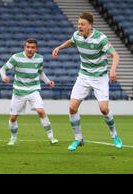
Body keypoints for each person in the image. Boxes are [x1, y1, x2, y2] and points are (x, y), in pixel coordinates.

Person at [52, 12, 122, 151]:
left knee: (104, 109)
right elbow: (71, 42)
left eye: (82, 24)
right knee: (72, 108)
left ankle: (114, 134)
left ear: (90, 26)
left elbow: (115, 55)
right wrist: (59, 48)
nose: (79, 26)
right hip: (84, 76)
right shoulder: (77, 35)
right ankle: (78, 138)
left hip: (100, 77)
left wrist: (113, 70)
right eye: (78, 24)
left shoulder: (100, 38)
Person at [0, 38, 59, 146]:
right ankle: (13, 138)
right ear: (24, 47)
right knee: (13, 117)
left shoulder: (40, 58)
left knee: (41, 111)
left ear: (36, 49)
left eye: (32, 47)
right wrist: (4, 77)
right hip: (18, 91)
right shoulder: (16, 57)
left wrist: (48, 81)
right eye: (28, 47)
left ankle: (52, 137)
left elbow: (40, 72)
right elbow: (2, 69)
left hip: (33, 90)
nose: (30, 49)